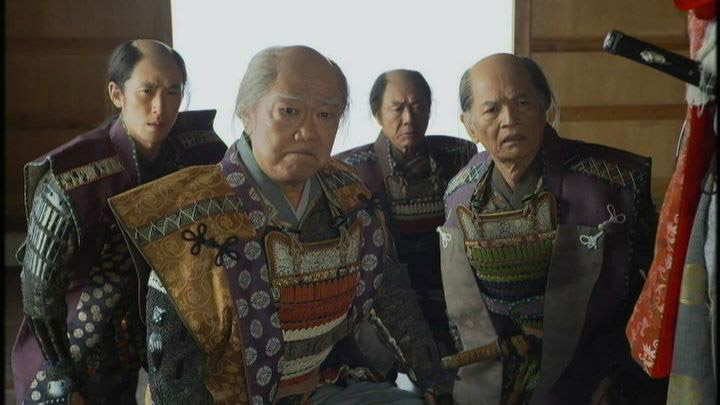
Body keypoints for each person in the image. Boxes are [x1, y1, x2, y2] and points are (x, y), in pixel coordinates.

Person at [108, 45, 453, 405]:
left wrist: (433, 380)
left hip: (321, 388)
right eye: (289, 111)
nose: (308, 131)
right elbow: (174, 378)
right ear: (247, 112)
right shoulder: (191, 218)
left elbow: (391, 294)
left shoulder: (351, 196)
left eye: (325, 114)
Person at [12, 39, 227, 404]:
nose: (160, 107)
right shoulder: (71, 176)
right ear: (117, 93)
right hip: (77, 337)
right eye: (147, 91)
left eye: (173, 92)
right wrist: (60, 372)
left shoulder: (195, 153)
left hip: (158, 328)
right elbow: (39, 294)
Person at [438, 53, 661, 404]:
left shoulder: (616, 183)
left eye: (522, 103)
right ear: (469, 126)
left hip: (596, 370)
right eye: (492, 110)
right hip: (494, 369)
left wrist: (617, 367)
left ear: (545, 106)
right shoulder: (459, 193)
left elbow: (657, 290)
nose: (509, 120)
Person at [336, 70, 475, 360]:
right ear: (377, 113)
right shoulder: (350, 169)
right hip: (385, 302)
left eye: (418, 106)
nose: (409, 118)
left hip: (453, 294)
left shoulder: (458, 154)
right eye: (397, 108)